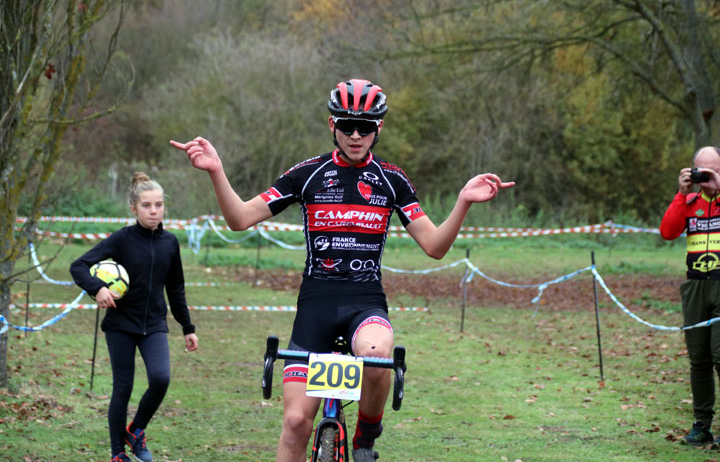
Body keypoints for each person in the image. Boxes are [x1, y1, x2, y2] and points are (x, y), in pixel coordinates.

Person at [171, 78, 514, 462]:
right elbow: (239, 218)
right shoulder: (308, 173)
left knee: (377, 353)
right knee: (297, 423)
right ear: (331, 125)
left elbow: (434, 246)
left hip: (364, 302)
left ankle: (366, 435)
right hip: (315, 305)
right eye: (347, 125)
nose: (355, 135)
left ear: (378, 129)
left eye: (365, 127)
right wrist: (217, 171)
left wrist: (463, 202)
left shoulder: (392, 180)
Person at [70, 172, 199, 462]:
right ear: (134, 208)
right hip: (120, 324)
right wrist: (98, 289)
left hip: (154, 324)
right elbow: (78, 266)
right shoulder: (121, 240)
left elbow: (175, 288)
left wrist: (187, 327)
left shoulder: (170, 243)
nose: (153, 211)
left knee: (161, 378)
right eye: (146, 206)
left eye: (158, 205)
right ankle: (118, 453)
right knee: (123, 387)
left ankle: (136, 429)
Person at [660, 146, 720, 446]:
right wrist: (681, 194)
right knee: (699, 360)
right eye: (701, 170)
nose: (705, 176)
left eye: (712, 170)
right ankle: (702, 425)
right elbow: (668, 232)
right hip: (695, 286)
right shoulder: (691, 201)